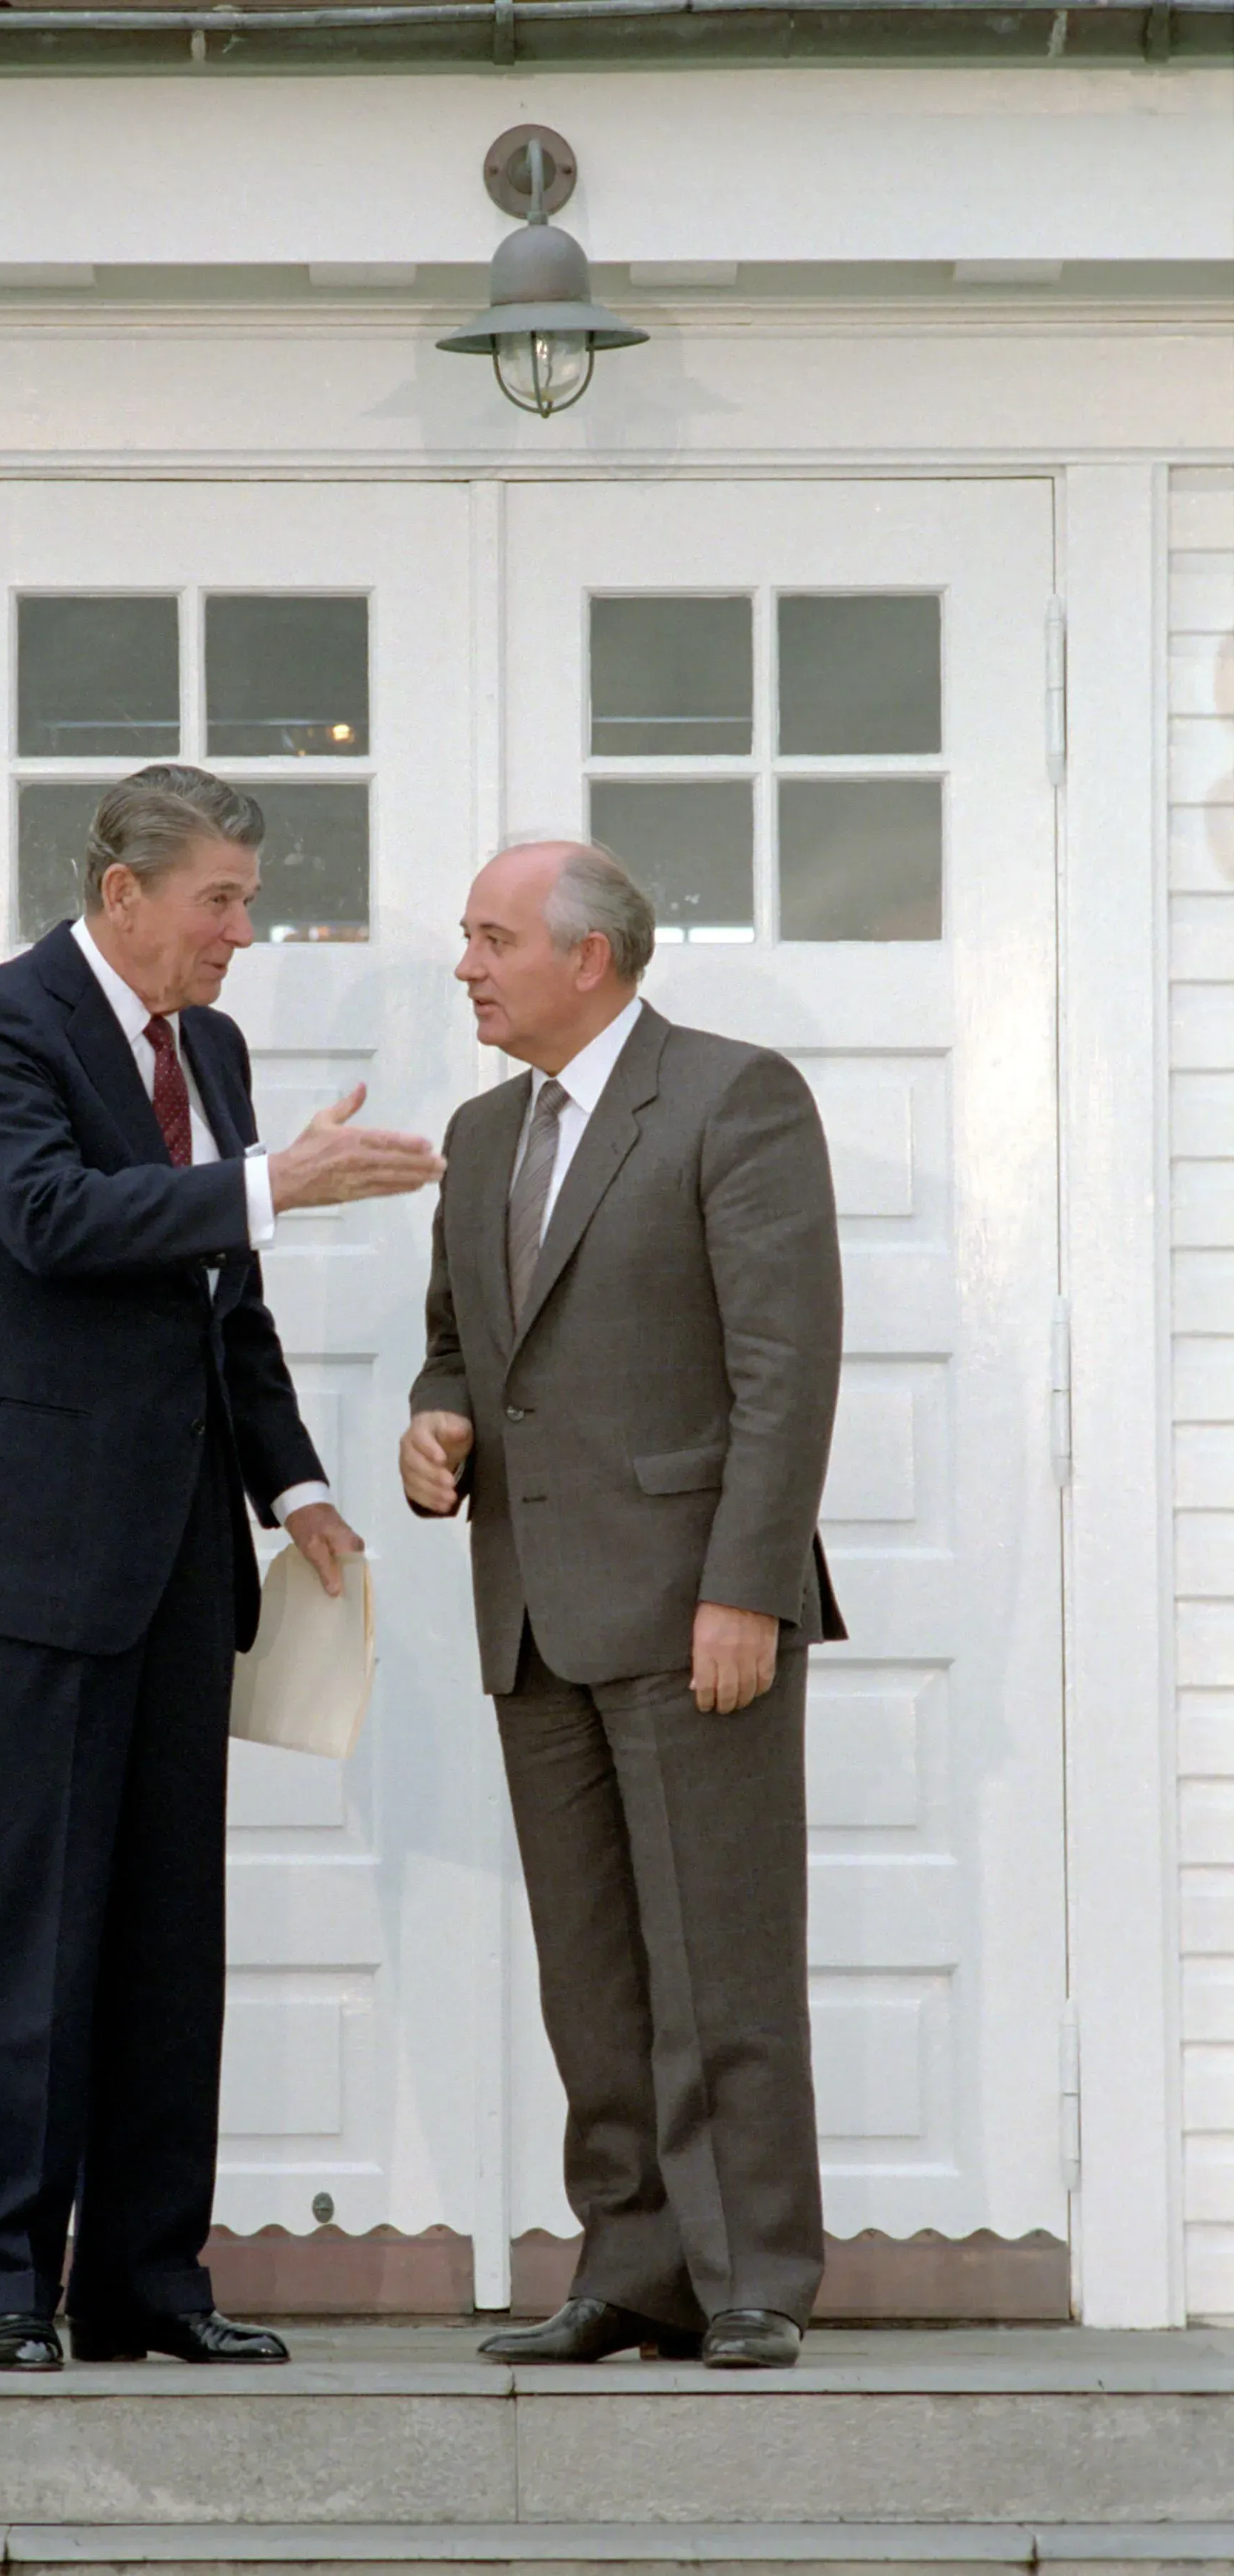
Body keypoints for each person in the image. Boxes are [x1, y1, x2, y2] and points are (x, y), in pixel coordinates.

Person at [0, 764, 442, 2371]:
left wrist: (296, 1480)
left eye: (249, 900)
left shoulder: (212, 1048)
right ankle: (3, 2282)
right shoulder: (1, 1024)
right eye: (220, 899)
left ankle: (146, 2280)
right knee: (20, 1931)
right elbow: (59, 1219)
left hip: (178, 1552)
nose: (242, 932)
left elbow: (224, 1296)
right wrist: (282, 1184)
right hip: (17, 1557)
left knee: (160, 1935)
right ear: (123, 890)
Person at [399, 840, 844, 2371]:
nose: (465, 963)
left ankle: (752, 2273)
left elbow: (786, 1374)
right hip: (532, 1611)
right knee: (593, 1972)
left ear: (588, 954)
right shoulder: (475, 1134)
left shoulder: (735, 1096)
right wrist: (431, 1422)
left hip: (690, 1606)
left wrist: (747, 1589)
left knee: (721, 1954)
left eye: (490, 937)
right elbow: (460, 1350)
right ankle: (634, 2263)